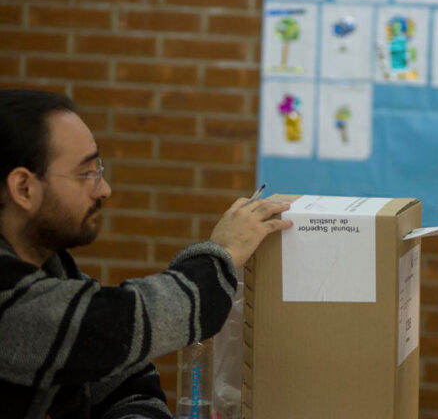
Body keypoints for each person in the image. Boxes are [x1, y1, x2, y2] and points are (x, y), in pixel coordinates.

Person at [0, 89, 293, 418]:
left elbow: (124, 378)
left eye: (100, 170)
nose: (104, 189)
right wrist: (223, 253)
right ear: (24, 188)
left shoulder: (52, 268)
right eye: (86, 173)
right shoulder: (12, 296)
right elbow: (115, 323)